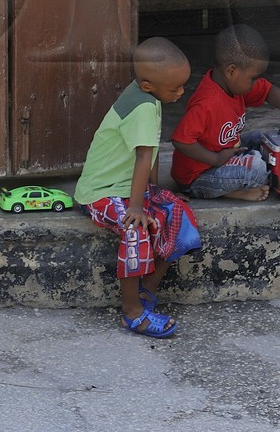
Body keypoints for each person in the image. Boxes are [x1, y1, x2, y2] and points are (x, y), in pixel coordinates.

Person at [74, 37, 200, 339]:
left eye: (183, 86)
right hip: (101, 192)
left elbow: (150, 152)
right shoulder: (141, 106)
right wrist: (135, 206)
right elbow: (143, 157)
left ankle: (146, 292)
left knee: (177, 213)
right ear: (147, 85)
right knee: (135, 228)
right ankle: (131, 311)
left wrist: (154, 193)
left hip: (128, 187)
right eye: (175, 88)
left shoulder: (150, 97)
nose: (181, 93)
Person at [170, 24, 280, 201]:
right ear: (231, 71)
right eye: (253, 78)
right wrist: (216, 159)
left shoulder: (231, 85)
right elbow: (181, 141)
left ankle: (246, 175)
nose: (256, 83)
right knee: (256, 169)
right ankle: (233, 190)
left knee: (261, 138)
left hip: (225, 153)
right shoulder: (207, 102)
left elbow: (268, 90)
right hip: (198, 177)